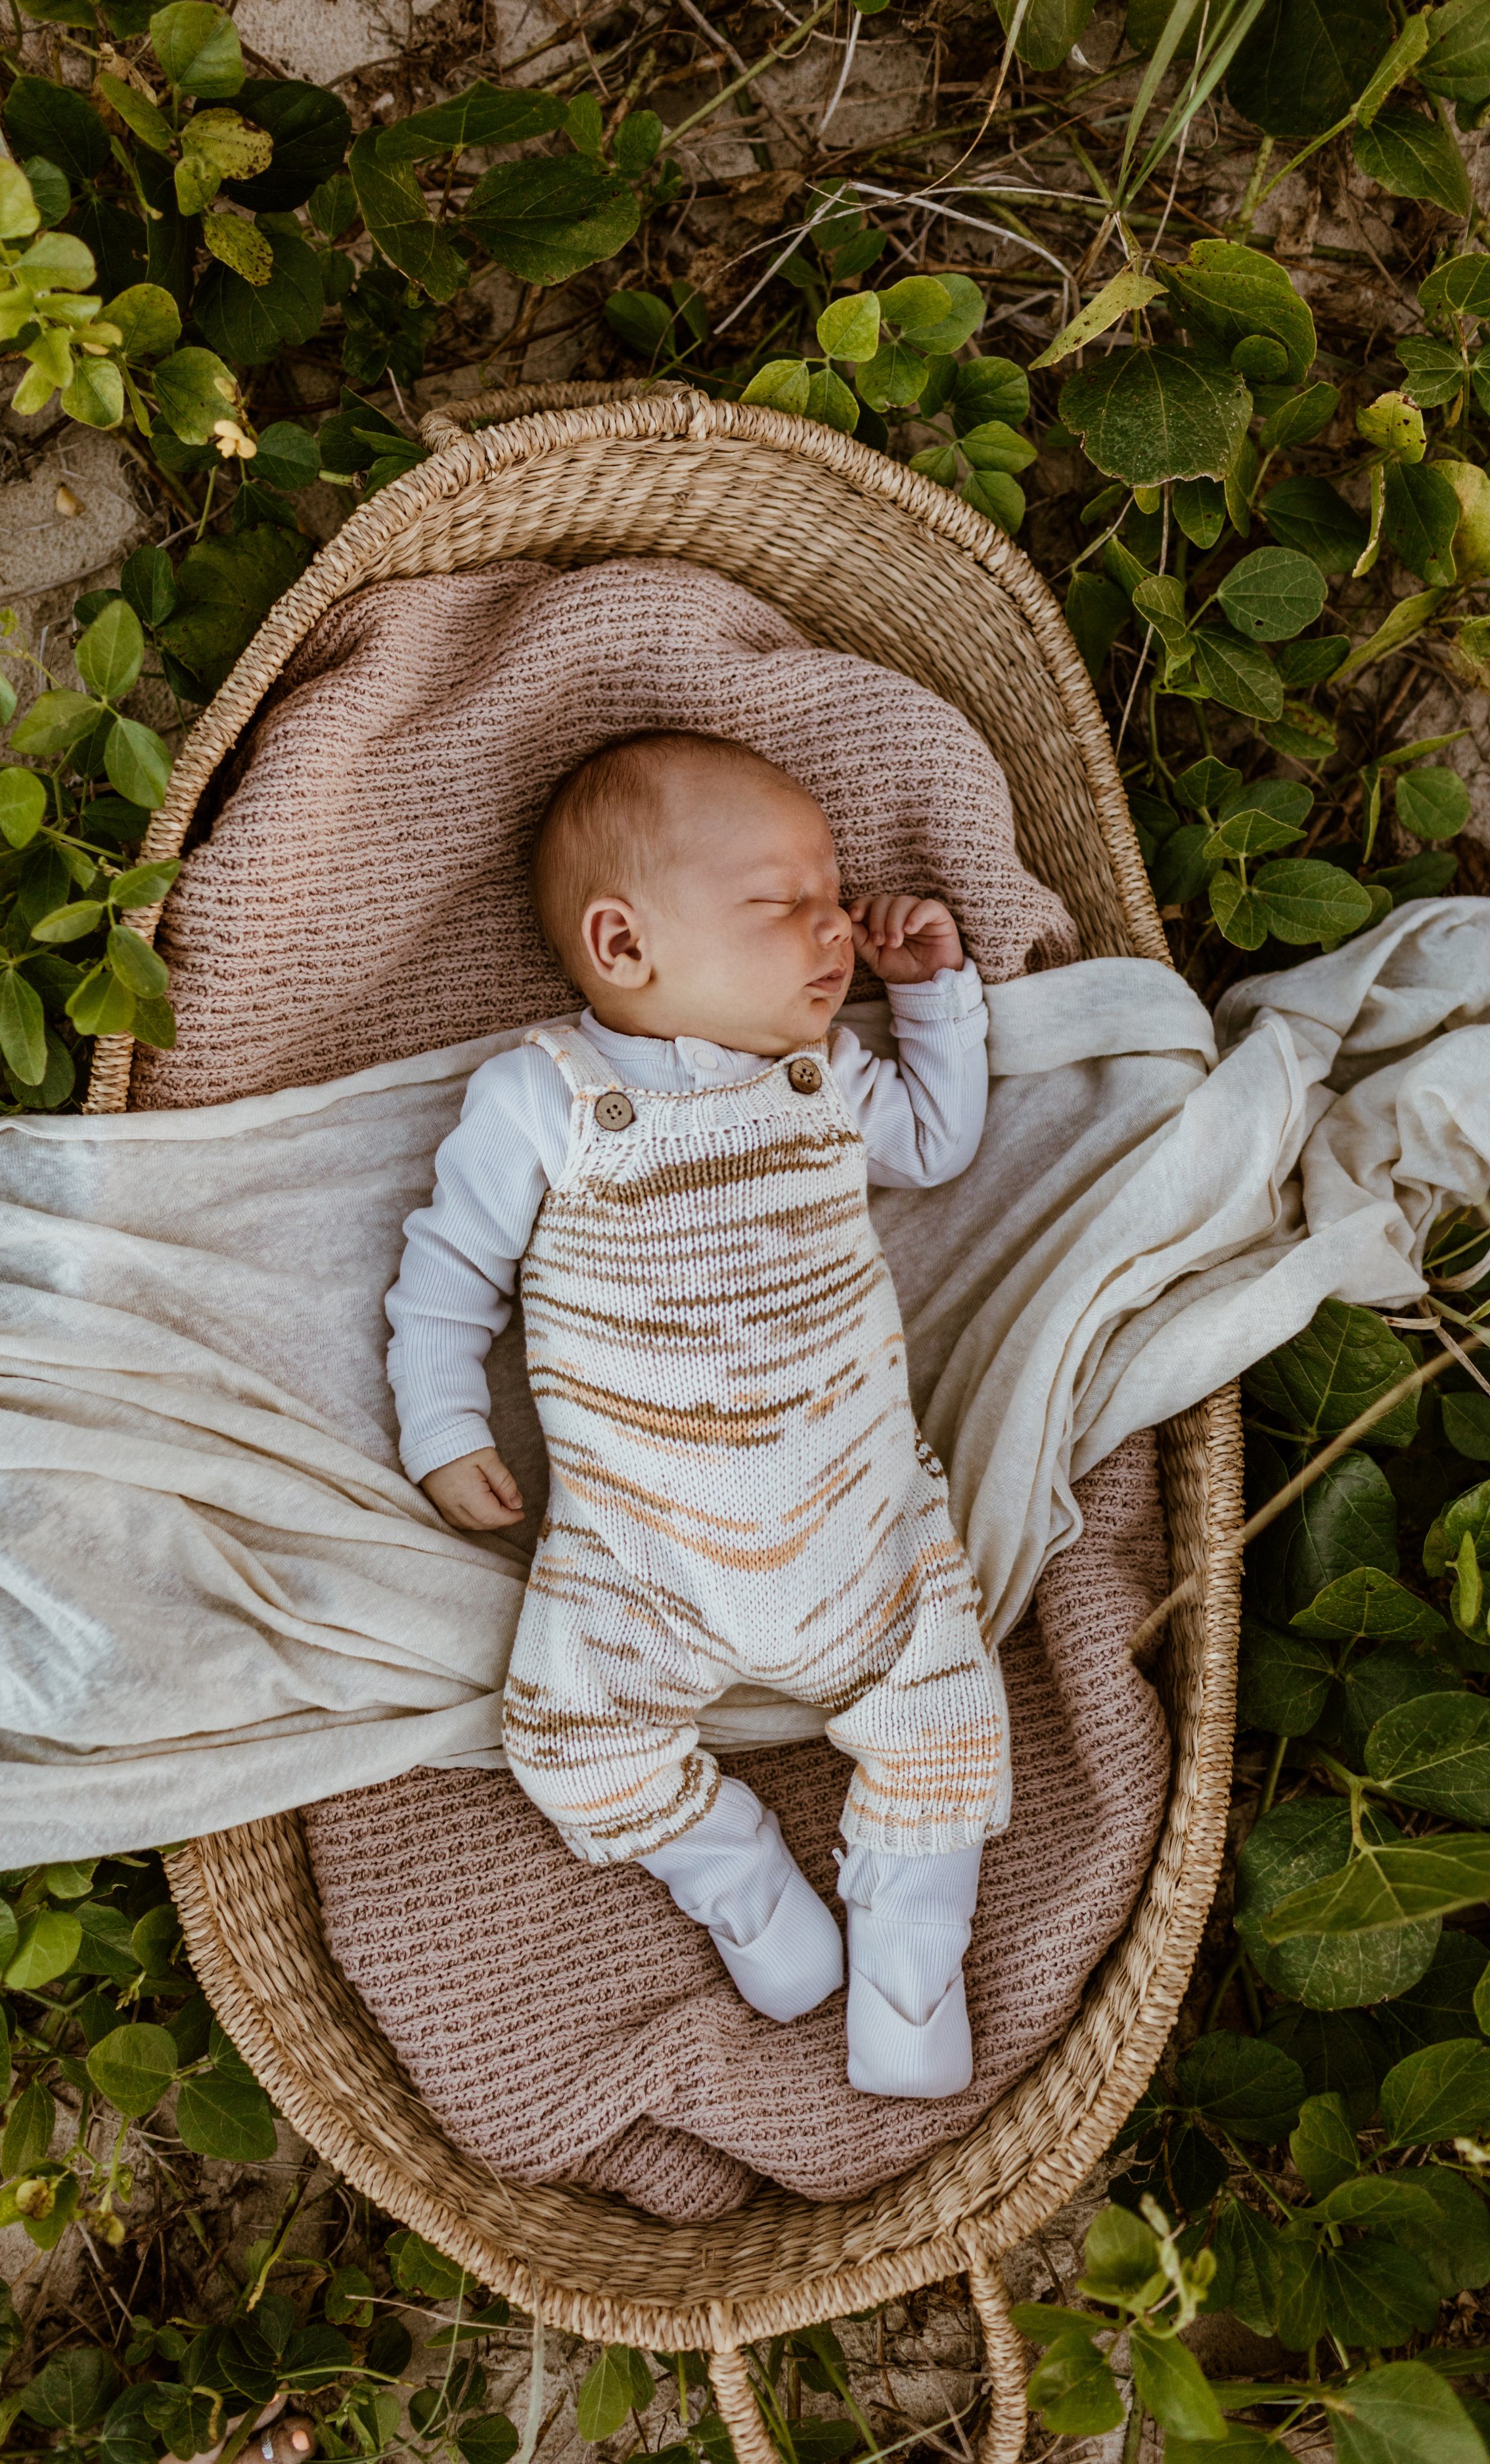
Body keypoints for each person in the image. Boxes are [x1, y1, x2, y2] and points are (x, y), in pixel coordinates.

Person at [386, 731, 1008, 2098]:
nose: (833, 925)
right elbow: (445, 1281)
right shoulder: (546, 1099)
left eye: (835, 895)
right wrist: (443, 1431)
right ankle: (742, 1891)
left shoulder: (825, 1079)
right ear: (622, 942)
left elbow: (934, 1144)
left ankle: (909, 1981)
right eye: (783, 901)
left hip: (856, 1527)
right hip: (641, 1554)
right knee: (565, 1734)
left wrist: (931, 1000)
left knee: (947, 1721)